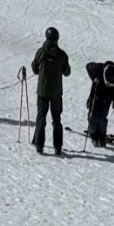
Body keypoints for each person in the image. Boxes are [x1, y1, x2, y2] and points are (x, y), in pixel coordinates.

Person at [31, 27, 71, 155]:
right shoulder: (62, 54)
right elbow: (67, 72)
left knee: (41, 117)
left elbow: (34, 67)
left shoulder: (41, 52)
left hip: (43, 91)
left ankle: (39, 144)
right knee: (57, 119)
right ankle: (58, 146)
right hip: (56, 92)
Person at [85, 62, 114, 146]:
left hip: (108, 97)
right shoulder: (97, 70)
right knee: (93, 115)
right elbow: (88, 66)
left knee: (102, 117)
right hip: (97, 95)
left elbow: (113, 89)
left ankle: (101, 136)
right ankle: (93, 134)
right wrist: (94, 78)